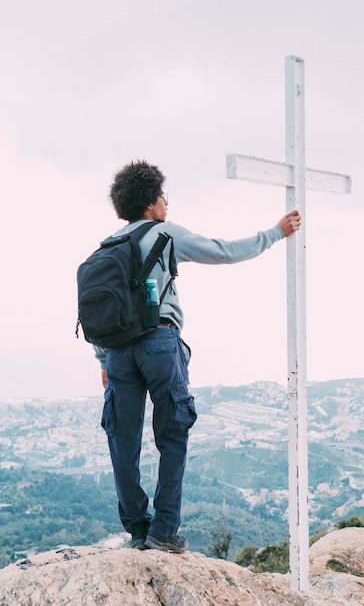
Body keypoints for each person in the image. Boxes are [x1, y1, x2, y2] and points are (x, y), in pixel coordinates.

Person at [93, 159, 301, 555]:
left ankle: (138, 529)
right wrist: (274, 233)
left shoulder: (108, 246)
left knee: (122, 440)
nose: (166, 205)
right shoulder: (165, 233)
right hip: (159, 343)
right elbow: (221, 252)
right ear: (152, 203)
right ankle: (164, 531)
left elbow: (99, 307)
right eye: (163, 198)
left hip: (117, 353)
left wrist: (103, 360)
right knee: (172, 435)